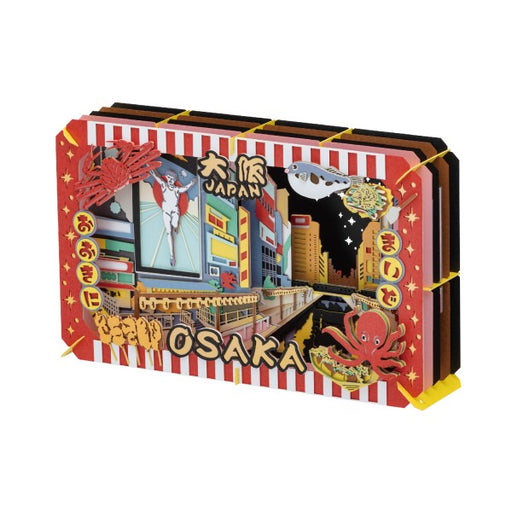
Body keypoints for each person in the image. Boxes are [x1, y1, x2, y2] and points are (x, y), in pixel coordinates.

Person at [150, 170, 197, 266]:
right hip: (166, 210)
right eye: (169, 178)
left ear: (175, 180)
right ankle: (172, 256)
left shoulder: (176, 189)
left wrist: (191, 183)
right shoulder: (164, 186)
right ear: (167, 178)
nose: (170, 180)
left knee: (174, 224)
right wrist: (150, 167)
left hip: (175, 210)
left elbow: (184, 188)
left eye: (172, 179)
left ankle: (175, 226)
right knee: (169, 232)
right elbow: (156, 176)